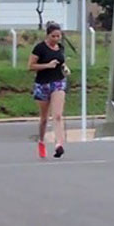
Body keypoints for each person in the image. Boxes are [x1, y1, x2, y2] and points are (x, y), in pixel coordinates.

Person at [28, 22, 70, 159]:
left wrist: (65, 68)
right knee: (44, 118)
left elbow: (61, 62)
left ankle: (59, 144)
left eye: (59, 36)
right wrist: (47, 65)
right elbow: (31, 66)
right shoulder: (39, 48)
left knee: (57, 115)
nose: (56, 39)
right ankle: (41, 141)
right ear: (48, 35)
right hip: (42, 84)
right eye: (54, 36)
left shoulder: (60, 48)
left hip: (58, 82)